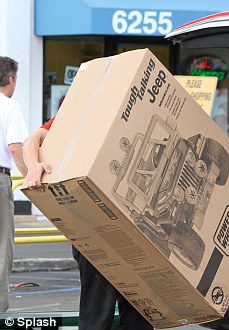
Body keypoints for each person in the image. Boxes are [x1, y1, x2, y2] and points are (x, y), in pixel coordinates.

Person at [23, 116, 153, 330]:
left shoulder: (137, 113)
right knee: (96, 317)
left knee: (140, 317)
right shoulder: (86, 111)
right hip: (93, 230)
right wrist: (33, 167)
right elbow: (33, 140)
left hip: (137, 229)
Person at [0, 56, 28, 312]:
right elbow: (15, 148)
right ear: (10, 79)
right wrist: (30, 175)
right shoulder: (9, 106)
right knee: (1, 246)